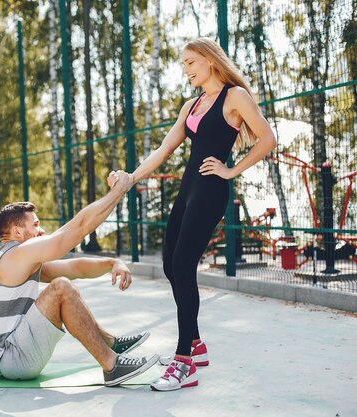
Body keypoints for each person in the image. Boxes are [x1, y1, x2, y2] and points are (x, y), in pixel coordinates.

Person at [110, 38, 276, 391]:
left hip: (211, 190)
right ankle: (196, 345)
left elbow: (267, 138)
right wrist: (130, 177)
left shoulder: (235, 97)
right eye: (183, 64)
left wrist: (231, 171)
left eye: (190, 63)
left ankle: (185, 361)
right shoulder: (192, 104)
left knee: (183, 266)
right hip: (188, 190)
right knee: (171, 264)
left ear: (209, 60)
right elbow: (164, 148)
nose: (185, 70)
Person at [0, 170, 159, 387]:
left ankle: (111, 344)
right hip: (12, 357)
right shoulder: (15, 254)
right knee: (61, 288)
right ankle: (113, 366)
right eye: (35, 225)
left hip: (11, 355)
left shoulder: (16, 260)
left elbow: (74, 267)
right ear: (16, 232)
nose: (41, 230)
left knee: (62, 283)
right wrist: (118, 192)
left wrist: (112, 263)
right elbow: (78, 228)